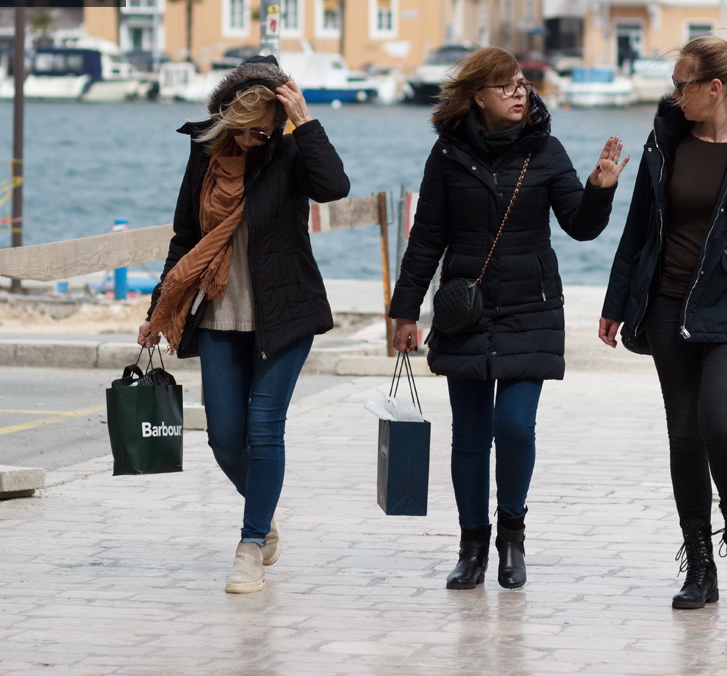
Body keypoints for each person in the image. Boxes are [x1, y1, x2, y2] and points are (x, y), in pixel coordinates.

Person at [389, 46, 629, 590]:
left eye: (522, 83)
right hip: (464, 312)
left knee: (514, 425)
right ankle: (472, 544)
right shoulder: (447, 156)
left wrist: (600, 189)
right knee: (470, 437)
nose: (520, 93)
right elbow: (426, 240)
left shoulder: (545, 150)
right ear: (479, 97)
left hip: (531, 308)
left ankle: (512, 536)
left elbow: (580, 226)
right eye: (507, 87)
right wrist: (406, 312)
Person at [598, 31, 727, 610]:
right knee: (684, 434)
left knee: (720, 421)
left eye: (681, 85)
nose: (673, 95)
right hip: (666, 303)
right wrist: (616, 304)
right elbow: (638, 230)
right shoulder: (665, 140)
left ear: (715, 88)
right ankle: (699, 564)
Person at [137, 55, 350, 594]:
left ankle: (250, 544)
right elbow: (186, 234)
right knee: (224, 438)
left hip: (285, 310)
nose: (255, 140)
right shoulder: (205, 150)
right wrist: (159, 306)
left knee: (262, 428)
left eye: (265, 130)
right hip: (218, 311)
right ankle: (265, 515)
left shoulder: (291, 148)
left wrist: (304, 120)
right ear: (229, 117)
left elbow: (334, 186)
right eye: (246, 131)